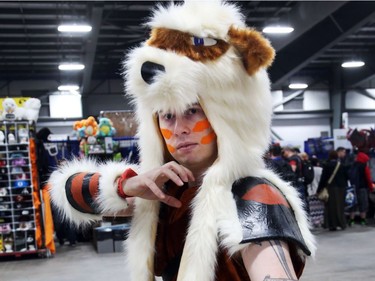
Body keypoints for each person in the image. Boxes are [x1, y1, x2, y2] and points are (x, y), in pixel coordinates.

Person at [48, 1, 315, 280]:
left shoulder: (253, 195)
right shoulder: (164, 188)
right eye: (166, 116)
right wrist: (126, 185)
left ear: (226, 117)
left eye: (192, 111)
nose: (179, 129)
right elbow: (67, 192)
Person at [317, 150, 348, 231]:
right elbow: (347, 176)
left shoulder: (327, 166)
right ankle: (342, 223)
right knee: (340, 206)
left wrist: (319, 189)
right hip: (341, 188)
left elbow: (323, 179)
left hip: (330, 188)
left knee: (330, 207)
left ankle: (332, 225)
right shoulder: (342, 165)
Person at [348, 151, 375, 226]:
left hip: (352, 188)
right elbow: (368, 178)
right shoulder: (364, 167)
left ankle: (351, 220)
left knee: (353, 204)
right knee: (363, 204)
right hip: (362, 188)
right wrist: (371, 187)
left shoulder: (352, 166)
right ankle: (363, 220)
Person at [307, 157, 324, 228]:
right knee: (320, 207)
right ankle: (320, 221)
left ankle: (314, 222)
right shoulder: (321, 170)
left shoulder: (308, 170)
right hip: (319, 191)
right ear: (317, 163)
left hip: (310, 191)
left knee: (312, 208)